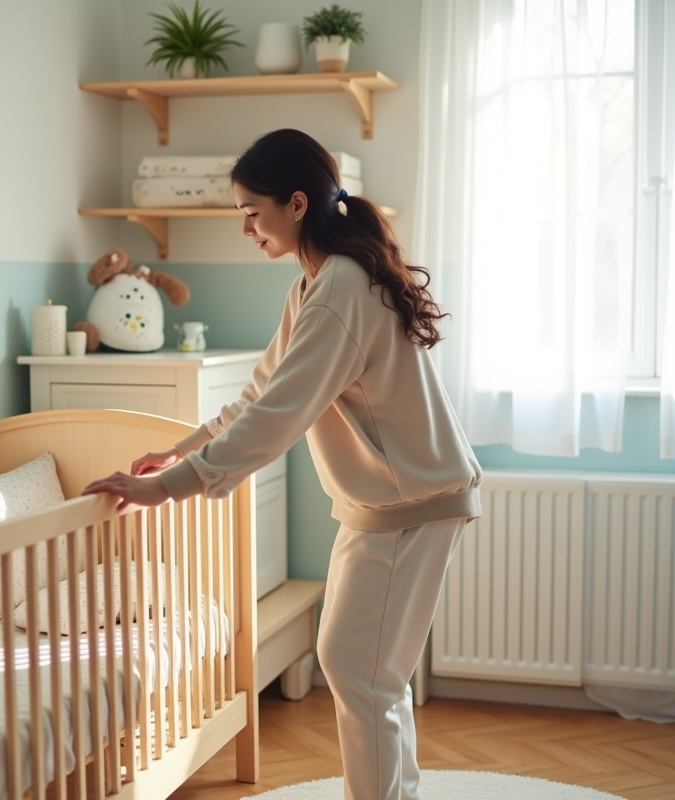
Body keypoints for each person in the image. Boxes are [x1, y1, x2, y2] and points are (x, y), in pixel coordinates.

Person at [82, 128, 482, 800]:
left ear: (296, 204)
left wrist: (171, 488)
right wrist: (182, 449)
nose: (245, 228)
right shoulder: (315, 285)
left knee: (362, 673)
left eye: (250, 212)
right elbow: (261, 391)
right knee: (366, 671)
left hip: (413, 502)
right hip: (390, 501)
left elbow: (278, 418)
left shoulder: (338, 290)